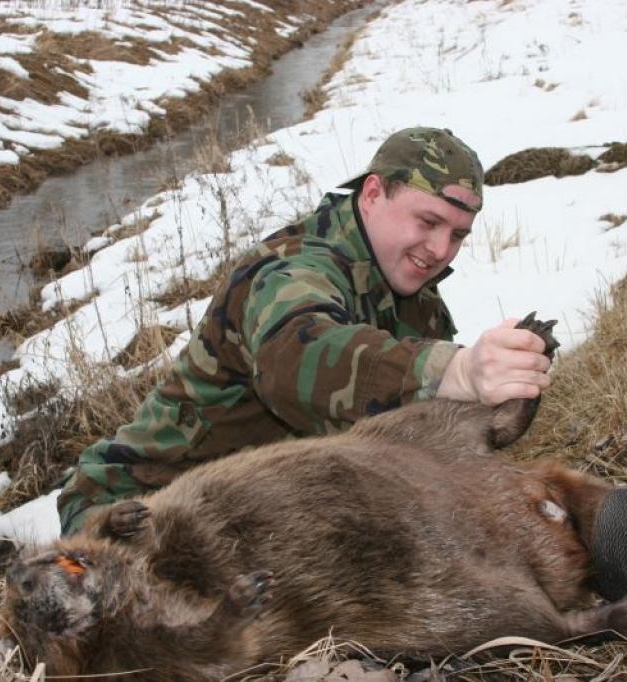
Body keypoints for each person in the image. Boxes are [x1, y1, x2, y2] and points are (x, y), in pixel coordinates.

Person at [57, 126, 552, 534]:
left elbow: (418, 427)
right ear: (374, 193)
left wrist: (501, 395)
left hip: (264, 507)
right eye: (428, 221)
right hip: (139, 511)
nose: (440, 249)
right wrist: (457, 369)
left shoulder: (412, 295)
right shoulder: (292, 268)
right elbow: (295, 357)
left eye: (457, 235)